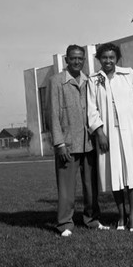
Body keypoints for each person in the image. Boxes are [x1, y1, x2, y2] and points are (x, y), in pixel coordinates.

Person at [46, 44, 109, 237]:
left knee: (91, 187)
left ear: (84, 60)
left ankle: (92, 219)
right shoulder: (56, 81)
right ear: (66, 59)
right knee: (66, 188)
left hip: (88, 142)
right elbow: (52, 115)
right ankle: (65, 223)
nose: (77, 61)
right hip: (67, 143)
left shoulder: (89, 80)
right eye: (73, 58)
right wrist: (59, 143)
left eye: (80, 58)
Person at [87, 43, 133, 231]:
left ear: (117, 58)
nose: (108, 61)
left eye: (111, 57)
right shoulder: (94, 79)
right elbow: (92, 109)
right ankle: (121, 216)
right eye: (104, 57)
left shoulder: (128, 74)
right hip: (108, 134)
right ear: (99, 59)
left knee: (132, 172)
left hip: (129, 130)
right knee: (115, 174)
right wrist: (100, 132)